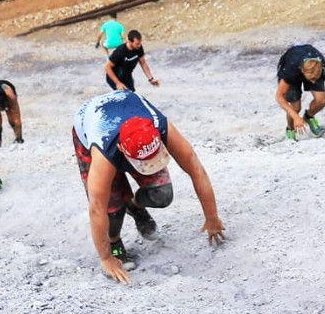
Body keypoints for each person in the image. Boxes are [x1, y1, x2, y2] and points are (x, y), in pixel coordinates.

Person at [73, 90, 225, 282]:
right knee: (112, 210)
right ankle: (114, 242)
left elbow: (197, 170)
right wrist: (106, 258)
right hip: (93, 122)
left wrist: (212, 217)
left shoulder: (162, 127)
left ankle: (135, 207)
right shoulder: (104, 154)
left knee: (162, 193)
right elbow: (97, 208)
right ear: (121, 150)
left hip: (130, 121)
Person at [275, 44, 325, 141]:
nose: (313, 82)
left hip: (312, 67)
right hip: (291, 63)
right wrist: (296, 117)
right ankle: (290, 130)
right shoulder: (291, 71)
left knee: (321, 100)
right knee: (295, 107)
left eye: (315, 79)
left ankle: (309, 116)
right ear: (302, 71)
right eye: (311, 79)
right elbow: (279, 97)